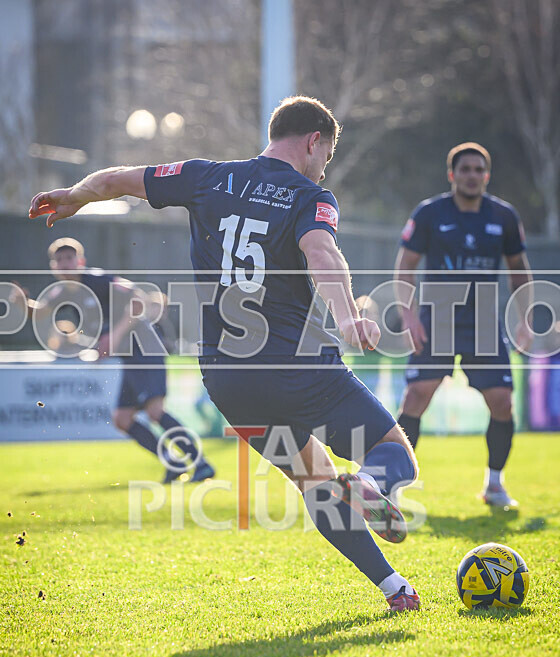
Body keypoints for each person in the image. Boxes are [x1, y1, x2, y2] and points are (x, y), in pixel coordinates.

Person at [29, 95, 420, 612]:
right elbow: (322, 251)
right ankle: (370, 483)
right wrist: (348, 316)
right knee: (394, 453)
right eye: (326, 156)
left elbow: (118, 179)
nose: (324, 169)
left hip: (227, 379)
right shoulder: (310, 196)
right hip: (296, 365)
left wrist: (75, 196)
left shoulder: (206, 176)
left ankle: (395, 588)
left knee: (315, 479)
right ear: (313, 142)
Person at [394, 142, 533, 508]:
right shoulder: (429, 213)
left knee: (502, 402)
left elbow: (519, 270)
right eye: (465, 169)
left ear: (487, 176)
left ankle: (495, 485)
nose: (472, 175)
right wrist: (409, 316)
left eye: (479, 170)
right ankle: (392, 484)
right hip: (438, 317)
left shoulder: (503, 216)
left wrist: (526, 319)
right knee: (416, 396)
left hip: (483, 319)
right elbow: (405, 266)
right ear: (452, 174)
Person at [20, 238, 215, 483]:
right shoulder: (64, 291)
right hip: (130, 357)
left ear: (81, 261)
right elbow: (40, 312)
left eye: (69, 258)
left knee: (155, 411)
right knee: (122, 419)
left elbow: (138, 299)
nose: (65, 263)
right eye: (59, 260)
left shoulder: (98, 280)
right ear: (53, 266)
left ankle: (201, 463)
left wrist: (114, 336)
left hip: (145, 349)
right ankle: (173, 463)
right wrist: (21, 303)